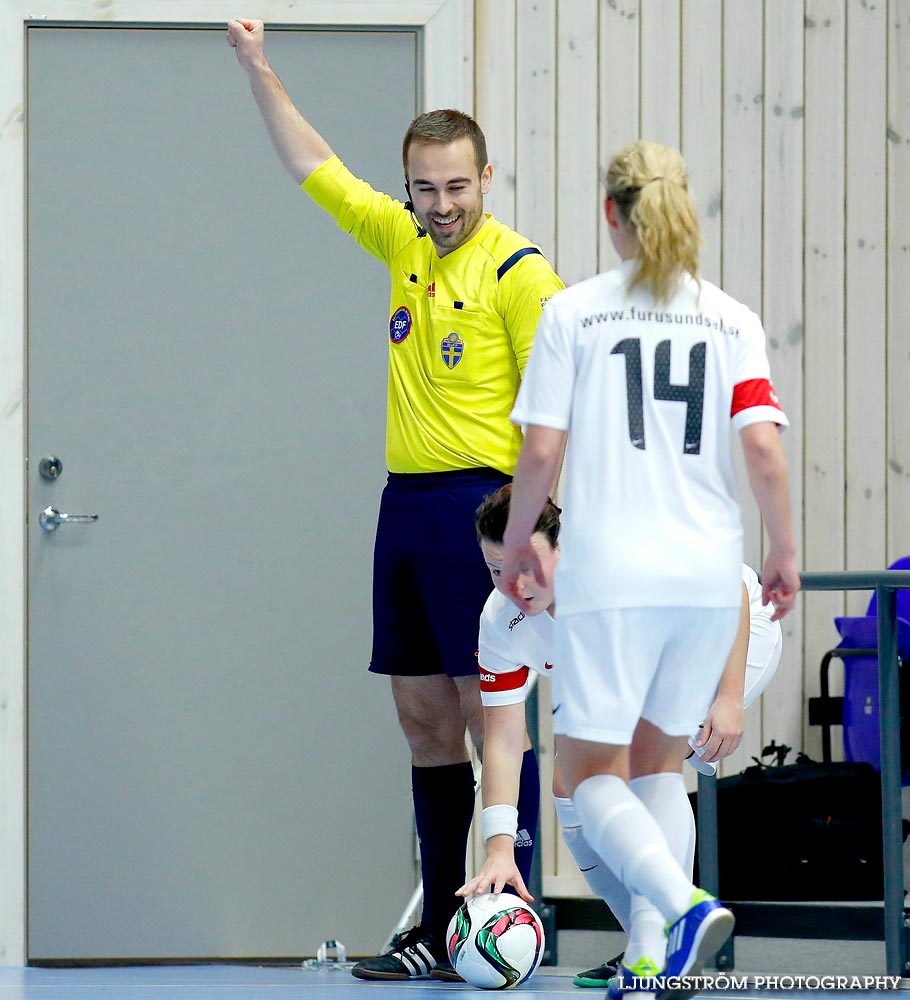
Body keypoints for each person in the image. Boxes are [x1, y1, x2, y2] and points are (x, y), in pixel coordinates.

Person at [226, 19, 565, 982]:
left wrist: (539, 532)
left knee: (491, 704)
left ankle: (512, 912)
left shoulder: (520, 275)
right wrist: (259, 67)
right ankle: (434, 924)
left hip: (486, 510)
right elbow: (314, 165)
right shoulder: (400, 240)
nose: (441, 204)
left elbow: (563, 409)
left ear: (486, 180)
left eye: (458, 186)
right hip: (406, 507)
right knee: (423, 716)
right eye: (426, 186)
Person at [497, 140, 799, 999]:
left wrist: (520, 538)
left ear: (610, 214)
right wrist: (780, 552)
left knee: (587, 776)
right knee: (658, 767)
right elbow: (765, 455)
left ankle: (680, 904)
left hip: (615, 572)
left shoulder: (577, 313)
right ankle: (648, 954)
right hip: (708, 574)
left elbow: (543, 449)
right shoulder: (732, 318)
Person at [458, 484, 783, 989]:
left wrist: (729, 696)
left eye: (527, 566)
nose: (513, 585)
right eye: (496, 570)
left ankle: (667, 930)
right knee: (568, 784)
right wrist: (499, 848)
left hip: (731, 633)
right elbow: (501, 740)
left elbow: (727, 585)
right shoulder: (502, 622)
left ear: (562, 547)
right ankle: (647, 943)